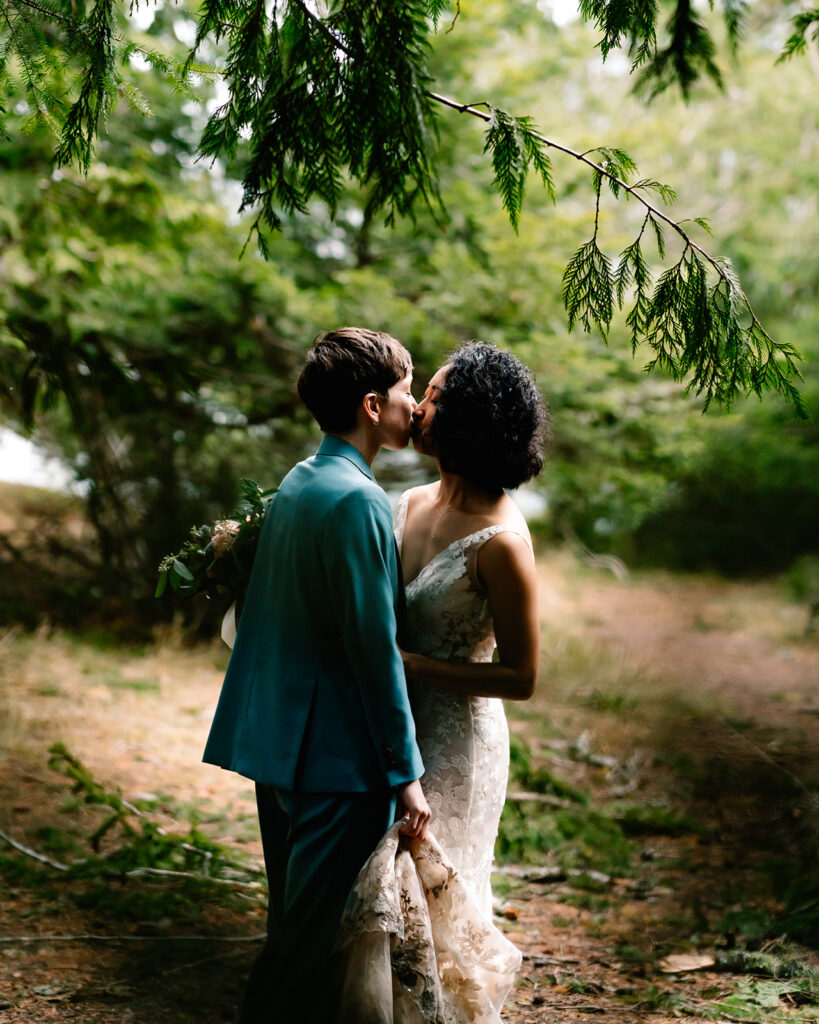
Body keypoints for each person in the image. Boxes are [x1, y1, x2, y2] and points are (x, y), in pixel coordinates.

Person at [202, 327, 431, 1024]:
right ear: (371, 404)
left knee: (292, 928)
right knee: (304, 948)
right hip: (335, 762)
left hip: (277, 748)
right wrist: (406, 771)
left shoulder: (300, 481)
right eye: (405, 388)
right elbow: (374, 650)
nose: (415, 404)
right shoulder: (359, 502)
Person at [336, 342, 548, 1022]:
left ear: (471, 420)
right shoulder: (406, 502)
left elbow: (521, 677)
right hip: (390, 723)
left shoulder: (502, 542)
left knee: (430, 896)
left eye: (433, 396)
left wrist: (415, 666)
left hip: (458, 742)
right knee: (376, 891)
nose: (417, 408)